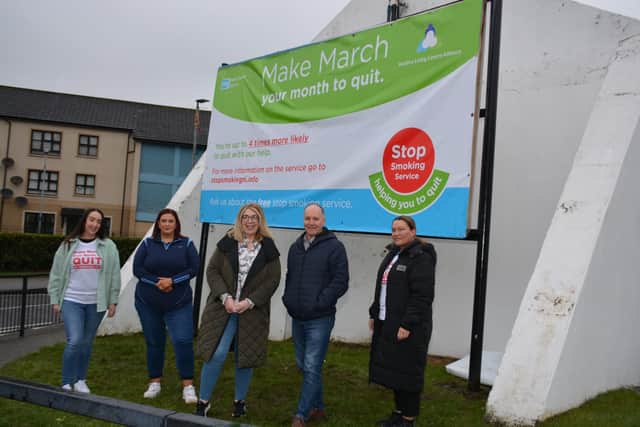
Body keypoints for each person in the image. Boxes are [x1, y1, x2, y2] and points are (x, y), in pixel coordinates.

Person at [195, 203, 281, 418]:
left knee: (245, 356)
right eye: (245, 217)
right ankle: (203, 402)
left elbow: (273, 280)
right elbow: (212, 270)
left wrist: (250, 301)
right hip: (224, 309)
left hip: (251, 312)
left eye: (254, 217)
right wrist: (225, 297)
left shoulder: (268, 247)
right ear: (240, 219)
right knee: (216, 353)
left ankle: (239, 403)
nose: (249, 221)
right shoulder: (228, 242)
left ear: (260, 220)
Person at [282, 202, 349, 427]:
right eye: (307, 218)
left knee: (311, 365)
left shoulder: (335, 247)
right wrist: (287, 299)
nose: (311, 223)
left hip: (320, 317)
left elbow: (341, 282)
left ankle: (301, 414)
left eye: (315, 219)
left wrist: (320, 303)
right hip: (297, 315)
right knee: (304, 365)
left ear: (323, 220)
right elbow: (290, 277)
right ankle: (318, 406)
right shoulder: (295, 247)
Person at [368, 216, 437, 427]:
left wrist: (407, 324)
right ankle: (398, 414)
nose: (396, 233)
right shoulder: (394, 254)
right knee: (395, 372)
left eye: (401, 229)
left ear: (413, 231)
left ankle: (408, 420)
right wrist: (374, 313)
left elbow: (422, 296)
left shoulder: (421, 257)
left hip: (409, 327)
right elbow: (383, 289)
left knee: (408, 373)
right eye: (393, 229)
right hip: (388, 322)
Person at [48, 208, 121, 393]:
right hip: (71, 299)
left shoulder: (108, 246)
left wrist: (112, 301)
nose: (95, 224)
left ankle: (80, 380)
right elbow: (56, 273)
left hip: (96, 303)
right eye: (92, 220)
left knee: (87, 342)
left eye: (98, 221)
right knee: (75, 340)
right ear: (84, 221)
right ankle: (66, 381)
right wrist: (55, 299)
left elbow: (114, 275)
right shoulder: (68, 244)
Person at [133, 208, 200, 403]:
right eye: (164, 221)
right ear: (158, 223)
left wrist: (173, 281)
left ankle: (188, 385)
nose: (167, 224)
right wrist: (157, 282)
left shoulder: (186, 244)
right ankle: (155, 382)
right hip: (148, 303)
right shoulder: (147, 243)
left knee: (182, 341)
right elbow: (138, 269)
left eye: (171, 221)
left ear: (176, 224)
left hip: (179, 303)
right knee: (154, 341)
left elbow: (194, 268)